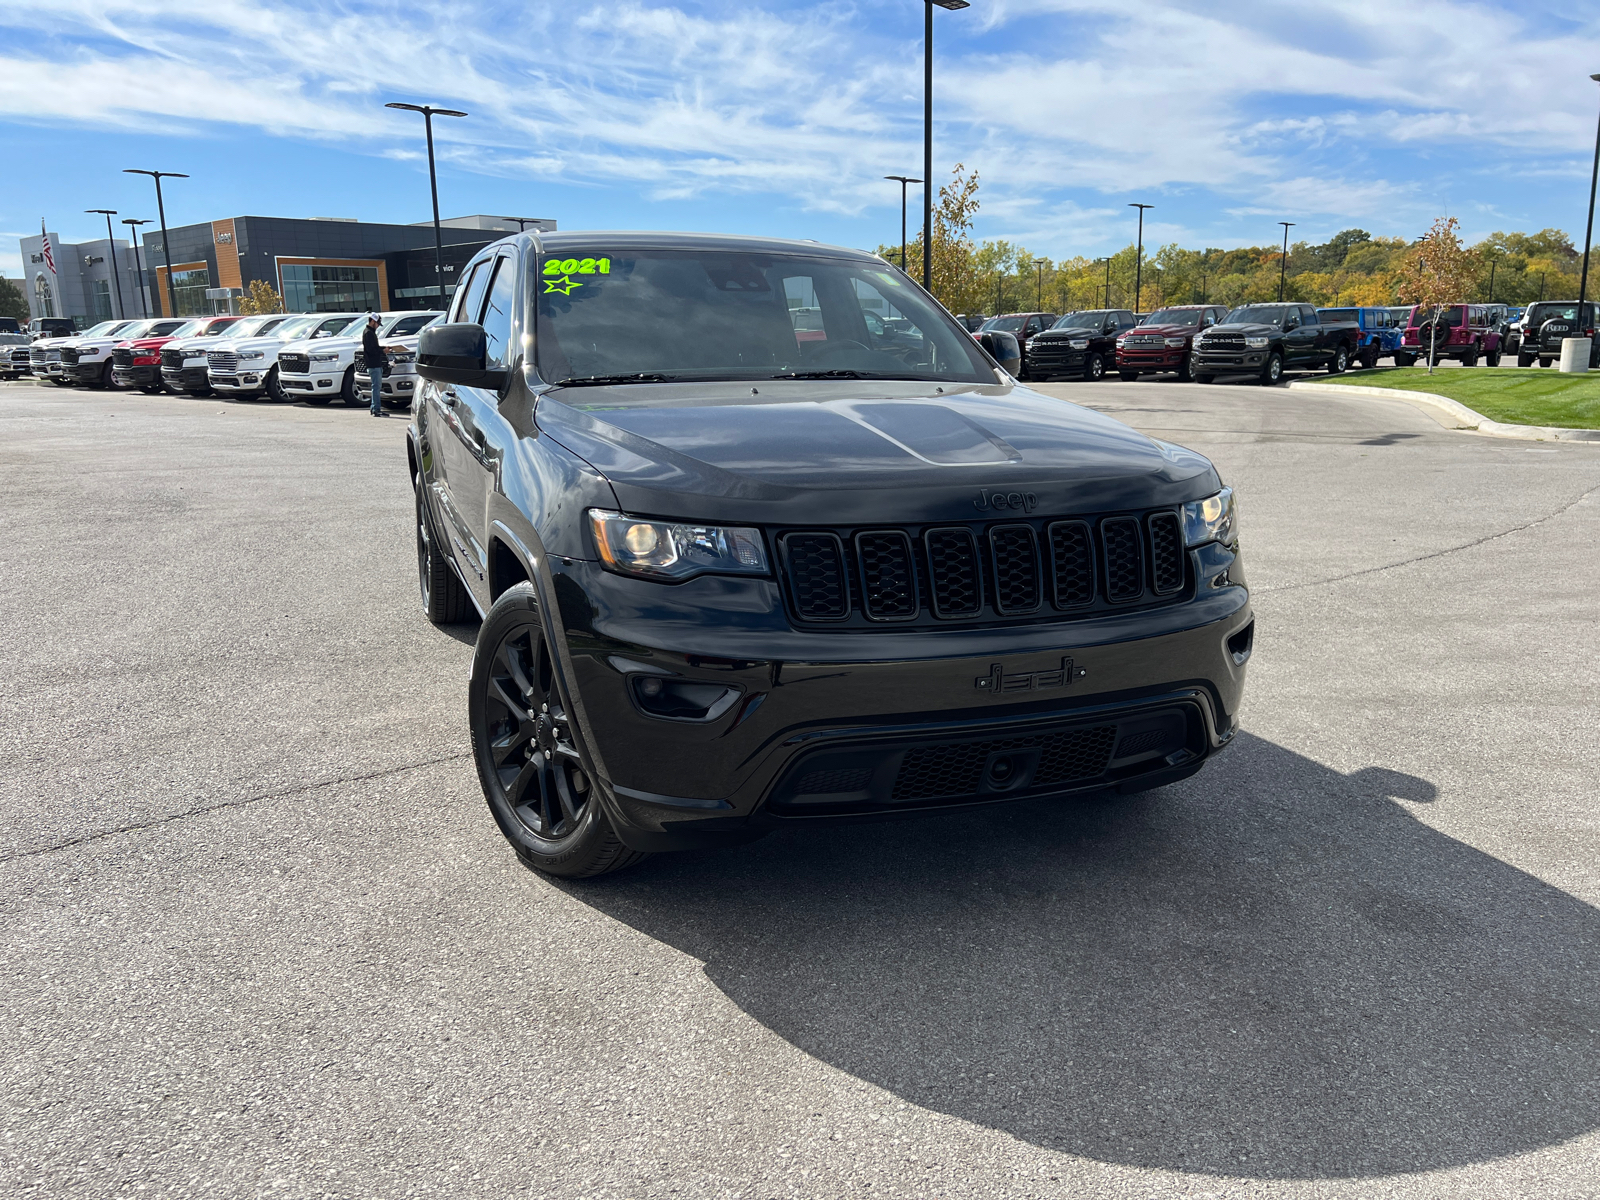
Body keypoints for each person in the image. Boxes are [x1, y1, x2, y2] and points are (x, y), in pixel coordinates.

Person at [361, 314, 387, 417]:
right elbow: (372, 350)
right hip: (373, 364)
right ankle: (376, 409)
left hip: (373, 363)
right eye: (377, 323)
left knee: (375, 386)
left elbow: (374, 347)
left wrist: (384, 348)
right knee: (376, 387)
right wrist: (383, 351)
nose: (377, 326)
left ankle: (374, 407)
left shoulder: (369, 332)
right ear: (372, 321)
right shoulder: (369, 333)